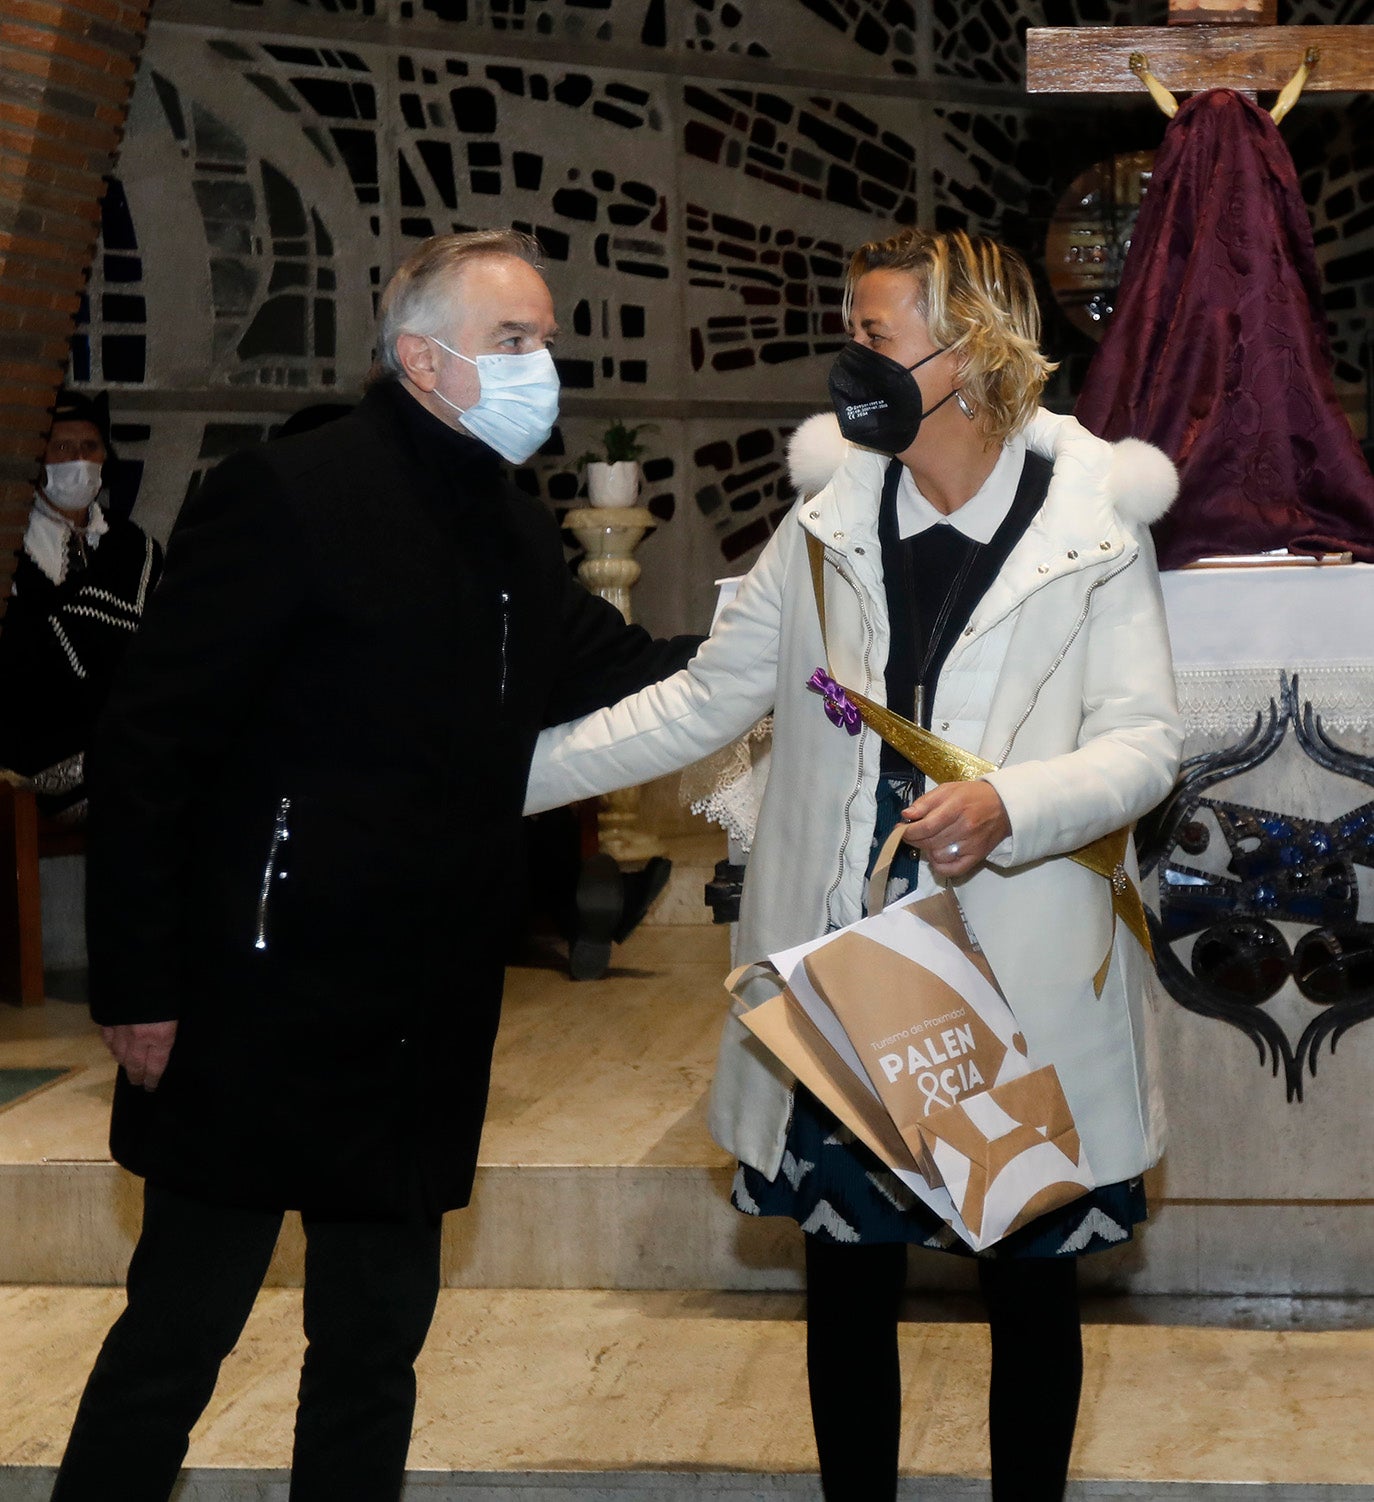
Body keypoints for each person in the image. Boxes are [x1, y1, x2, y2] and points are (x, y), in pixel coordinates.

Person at [527, 227, 1183, 1501]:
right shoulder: (825, 519)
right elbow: (702, 700)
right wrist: (492, 779)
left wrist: (1012, 801)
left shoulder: (1095, 525)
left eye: (875, 336)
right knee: (847, 1279)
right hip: (855, 949)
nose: (851, 363)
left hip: (1018, 956)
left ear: (972, 349)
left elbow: (1146, 740)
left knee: (1027, 1283)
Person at [52, 228, 699, 1502]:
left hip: (421, 1011)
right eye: (516, 342)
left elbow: (620, 665)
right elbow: (149, 744)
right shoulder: (291, 493)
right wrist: (137, 985)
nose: (545, 365)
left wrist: (786, 636)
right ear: (424, 358)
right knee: (176, 1338)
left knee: (373, 1348)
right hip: (254, 998)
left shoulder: (513, 532)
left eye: (548, 339)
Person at [0, 390, 163, 820]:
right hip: (27, 757)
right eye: (62, 447)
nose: (78, 459)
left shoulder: (137, 550)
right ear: (38, 458)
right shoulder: (11, 541)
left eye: (89, 447)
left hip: (122, 757)